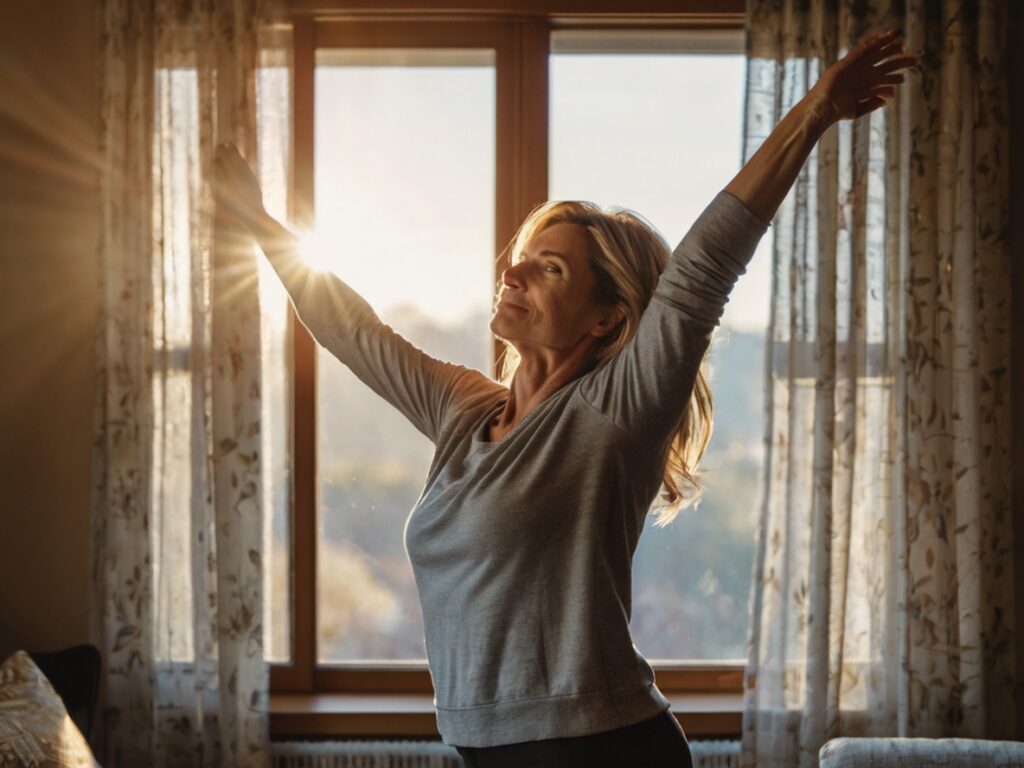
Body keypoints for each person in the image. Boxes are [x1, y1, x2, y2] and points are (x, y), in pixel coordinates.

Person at [215, 28, 916, 768]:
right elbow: (351, 329)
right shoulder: (464, 411)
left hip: (602, 750)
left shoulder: (615, 410)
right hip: (489, 750)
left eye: (547, 269)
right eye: (517, 262)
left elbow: (705, 265)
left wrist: (814, 111)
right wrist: (259, 223)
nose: (513, 276)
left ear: (607, 315)